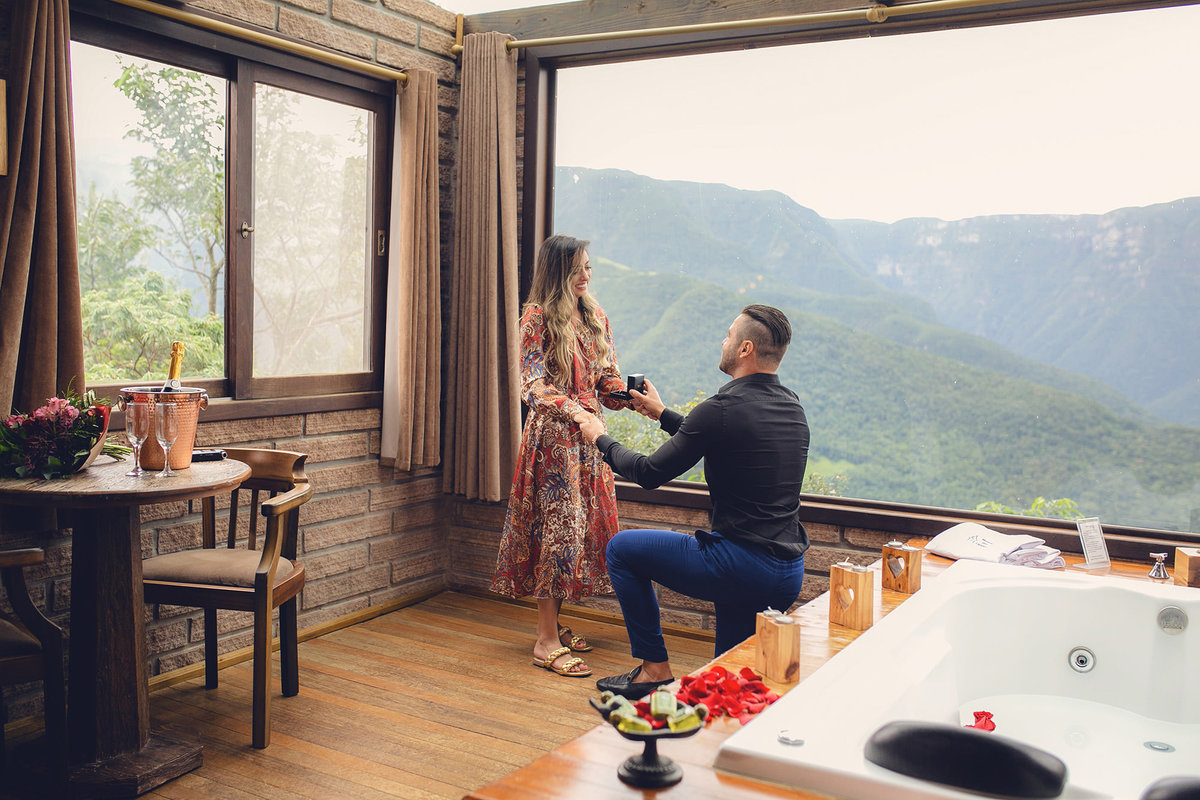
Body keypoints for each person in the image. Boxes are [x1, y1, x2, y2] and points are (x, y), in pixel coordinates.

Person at [576, 304, 810, 698]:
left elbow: (649, 473)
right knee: (726, 677)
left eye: (729, 334)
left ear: (745, 348)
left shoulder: (720, 409)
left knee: (621, 549)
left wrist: (600, 437)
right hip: (787, 573)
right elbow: (723, 438)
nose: (724, 340)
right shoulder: (792, 406)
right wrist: (661, 413)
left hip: (738, 564)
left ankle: (654, 669)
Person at [490, 234, 633, 678]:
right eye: (577, 270)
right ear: (559, 273)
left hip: (589, 442)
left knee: (581, 531)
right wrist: (574, 408)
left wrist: (626, 395)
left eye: (589, 266)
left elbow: (603, 380)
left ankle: (554, 622)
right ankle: (544, 640)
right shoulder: (535, 318)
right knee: (558, 532)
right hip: (553, 443)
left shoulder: (594, 316)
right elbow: (531, 385)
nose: (587, 275)